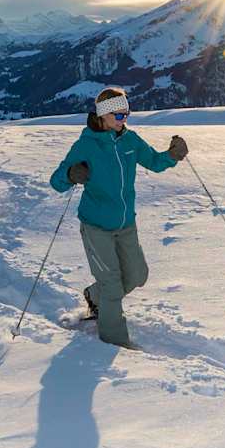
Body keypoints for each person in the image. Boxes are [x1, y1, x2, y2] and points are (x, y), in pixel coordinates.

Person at [50, 88, 187, 348]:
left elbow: (155, 162)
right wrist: (70, 174)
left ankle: (94, 294)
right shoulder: (86, 145)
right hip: (96, 226)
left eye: (127, 114)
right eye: (119, 114)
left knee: (137, 275)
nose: (124, 119)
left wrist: (172, 155)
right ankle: (115, 346)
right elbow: (56, 181)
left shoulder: (130, 141)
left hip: (126, 224)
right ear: (103, 115)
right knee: (112, 285)